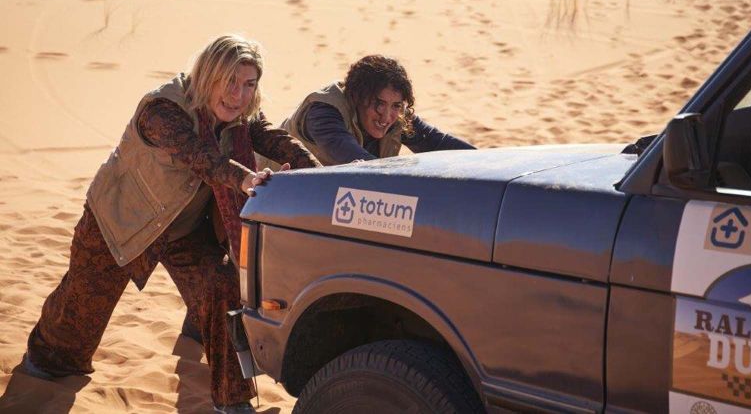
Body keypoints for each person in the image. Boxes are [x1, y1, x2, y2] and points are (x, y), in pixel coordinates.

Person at [22, 35, 320, 414]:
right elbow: (199, 155)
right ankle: (43, 364)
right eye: (229, 81)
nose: (238, 95)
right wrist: (245, 179)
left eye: (249, 84)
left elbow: (276, 140)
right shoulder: (162, 108)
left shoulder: (243, 116)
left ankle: (233, 400)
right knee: (78, 313)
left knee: (221, 286)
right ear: (207, 75)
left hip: (185, 228)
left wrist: (324, 173)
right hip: (122, 222)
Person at [282, 54, 474, 165]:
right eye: (378, 104)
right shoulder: (324, 112)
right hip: (274, 199)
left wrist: (485, 161)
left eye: (396, 105)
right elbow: (356, 162)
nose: (386, 116)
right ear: (357, 97)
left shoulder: (397, 116)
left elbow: (437, 142)